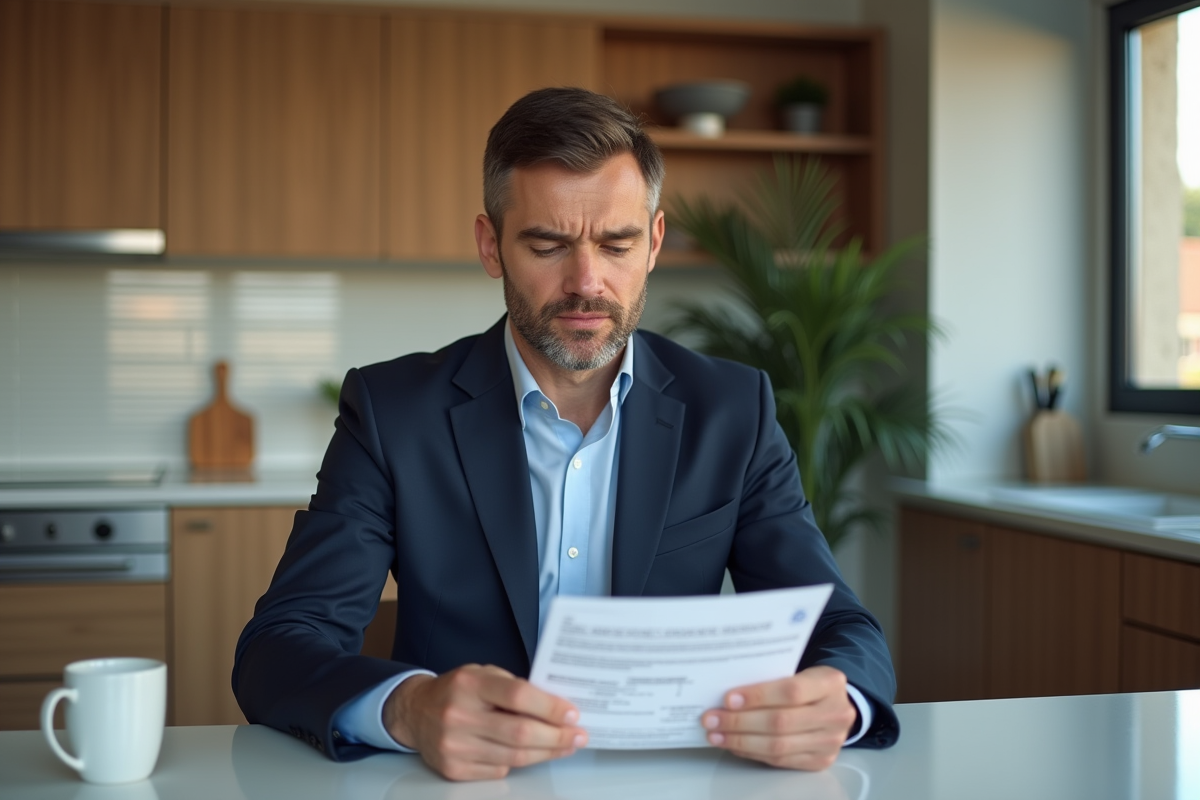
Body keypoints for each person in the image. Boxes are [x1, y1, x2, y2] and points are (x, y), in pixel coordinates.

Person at [233, 87, 899, 782]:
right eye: (548, 244)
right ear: (491, 246)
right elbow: (278, 647)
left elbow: (845, 630)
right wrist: (408, 708)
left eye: (617, 243)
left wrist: (839, 703)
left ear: (655, 243)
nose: (587, 282)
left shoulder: (733, 409)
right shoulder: (393, 412)